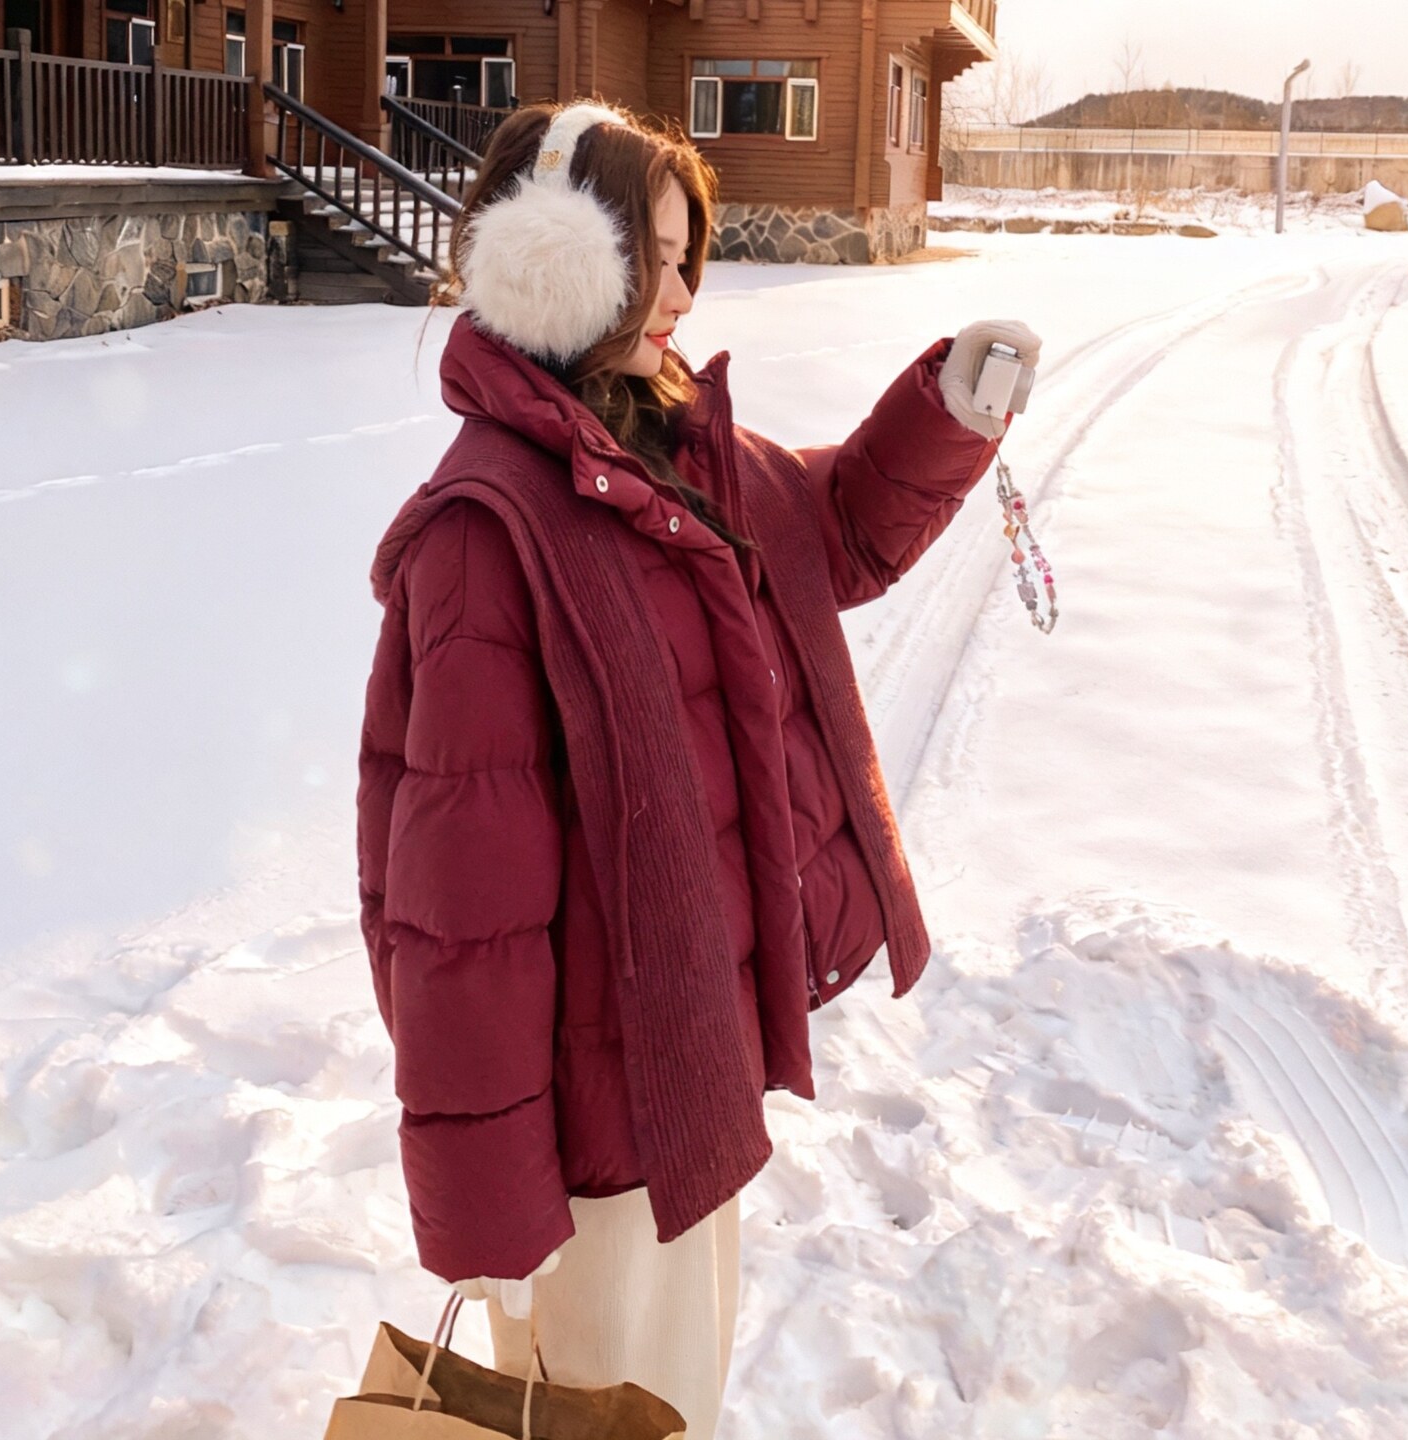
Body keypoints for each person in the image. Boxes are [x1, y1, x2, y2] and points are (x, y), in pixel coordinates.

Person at [356, 98, 1041, 1439]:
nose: (682, 291)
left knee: (671, 1409)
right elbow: (459, 923)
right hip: (592, 1152)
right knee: (619, 1411)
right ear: (557, 265)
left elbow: (825, 535)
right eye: (652, 259)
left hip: (684, 1081)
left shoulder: (659, 447)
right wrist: (492, 1203)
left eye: (688, 255)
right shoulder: (487, 534)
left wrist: (946, 416)